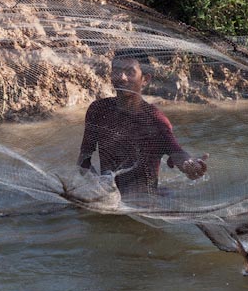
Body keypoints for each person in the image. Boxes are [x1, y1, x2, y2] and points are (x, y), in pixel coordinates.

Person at [77, 50, 207, 197]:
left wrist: (189, 165)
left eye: (129, 72)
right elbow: (83, 161)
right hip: (108, 198)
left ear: (145, 79)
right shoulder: (99, 110)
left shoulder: (155, 120)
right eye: (116, 71)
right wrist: (98, 187)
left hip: (145, 201)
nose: (122, 77)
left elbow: (177, 152)